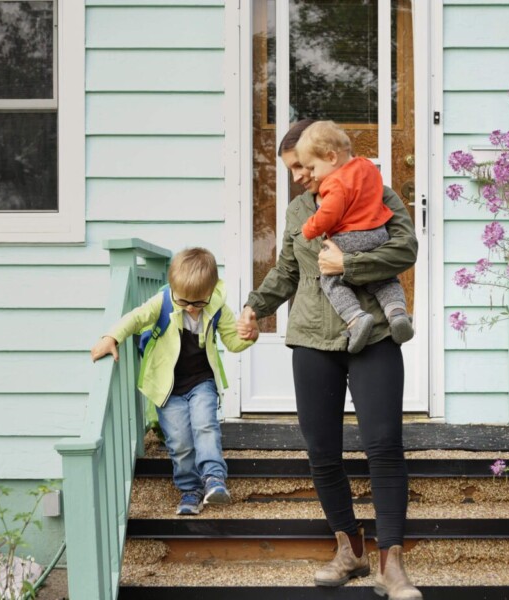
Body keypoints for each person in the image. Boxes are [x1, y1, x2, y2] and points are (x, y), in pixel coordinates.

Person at [237, 120, 422, 599]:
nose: (298, 175)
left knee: (383, 444)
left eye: (301, 165)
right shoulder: (300, 208)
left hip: (375, 334)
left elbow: (405, 248)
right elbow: (286, 272)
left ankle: (392, 565)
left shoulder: (374, 188)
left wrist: (350, 265)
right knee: (322, 451)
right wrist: (254, 308)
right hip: (313, 338)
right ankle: (350, 549)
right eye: (291, 168)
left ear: (324, 155)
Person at [91, 247, 256, 516]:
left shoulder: (216, 308)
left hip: (202, 380)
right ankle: (189, 490)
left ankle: (214, 479)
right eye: (184, 302)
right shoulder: (163, 302)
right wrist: (111, 337)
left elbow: (233, 342)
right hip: (167, 387)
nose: (191, 307)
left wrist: (250, 336)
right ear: (173, 288)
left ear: (211, 291)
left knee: (205, 426)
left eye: (198, 302)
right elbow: (135, 319)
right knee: (179, 441)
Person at [296, 120, 413, 353]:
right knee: (385, 279)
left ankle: (355, 318)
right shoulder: (368, 167)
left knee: (329, 277)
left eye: (312, 168)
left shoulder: (335, 183)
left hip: (350, 237)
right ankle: (397, 312)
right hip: (378, 234)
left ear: (331, 157)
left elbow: (329, 214)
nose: (311, 175)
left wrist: (309, 229)